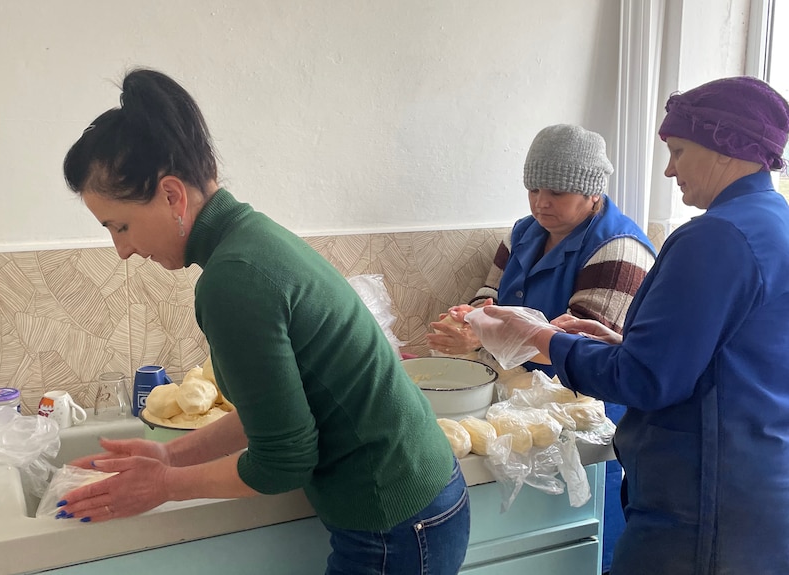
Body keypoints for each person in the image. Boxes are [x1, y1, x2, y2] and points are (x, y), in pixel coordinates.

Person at [55, 68, 470, 575]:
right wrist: (170, 457)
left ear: (171, 196)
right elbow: (270, 420)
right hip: (424, 500)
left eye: (120, 225)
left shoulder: (233, 280)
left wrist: (164, 485)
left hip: (398, 523)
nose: (122, 249)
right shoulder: (250, 239)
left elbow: (283, 460)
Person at [474, 76, 789, 574]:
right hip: (755, 483)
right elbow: (722, 357)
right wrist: (620, 341)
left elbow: (645, 379)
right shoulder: (772, 221)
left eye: (680, 151)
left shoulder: (715, 238)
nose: (669, 169)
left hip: (702, 501)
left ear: (727, 149)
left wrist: (543, 340)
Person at [427, 123, 656, 573]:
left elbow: (584, 350)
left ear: (592, 192)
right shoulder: (522, 235)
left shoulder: (620, 250)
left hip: (586, 416)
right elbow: (487, 298)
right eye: (533, 188)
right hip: (523, 407)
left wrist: (482, 338)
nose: (540, 202)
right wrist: (466, 322)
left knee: (582, 541)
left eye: (557, 191)